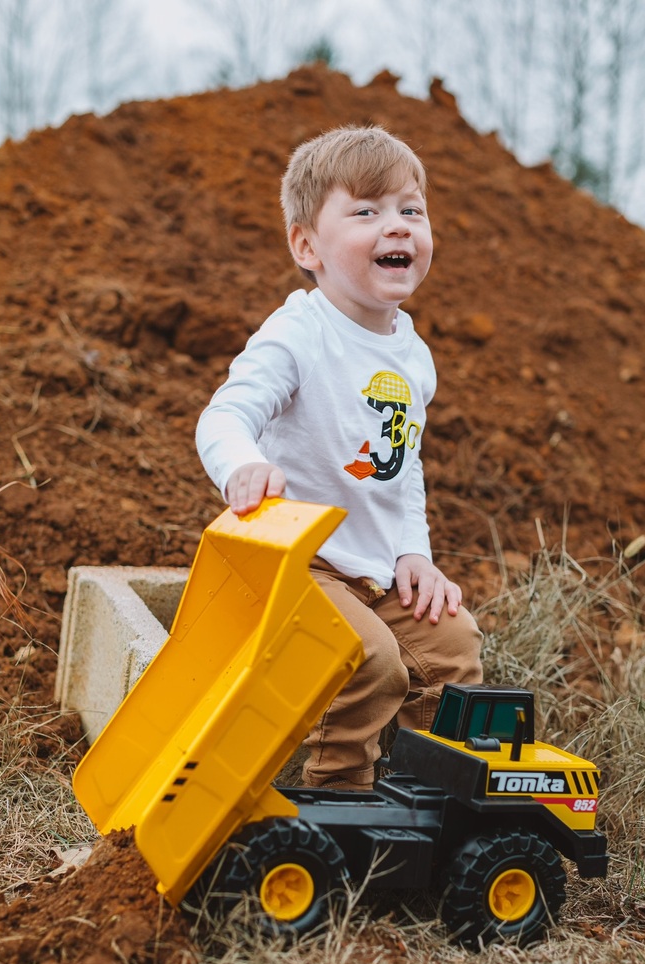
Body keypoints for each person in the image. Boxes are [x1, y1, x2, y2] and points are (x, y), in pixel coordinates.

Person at [196, 124, 483, 791]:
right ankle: (334, 800)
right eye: (366, 211)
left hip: (376, 571)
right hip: (297, 563)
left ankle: (425, 796)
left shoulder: (413, 355)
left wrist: (414, 550)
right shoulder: (299, 333)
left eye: (411, 210)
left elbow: (401, 463)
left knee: (454, 649)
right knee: (368, 661)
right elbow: (225, 414)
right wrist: (240, 464)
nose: (397, 227)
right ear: (307, 246)